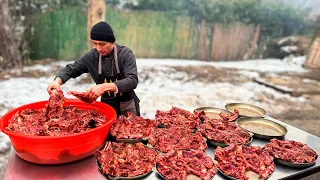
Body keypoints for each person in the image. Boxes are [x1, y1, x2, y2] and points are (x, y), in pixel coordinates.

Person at [47, 21, 140, 116]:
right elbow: (72, 69)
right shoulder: (92, 56)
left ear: (112, 41)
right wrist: (57, 81)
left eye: (102, 44)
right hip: (107, 106)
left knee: (131, 129)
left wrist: (103, 87)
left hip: (128, 105)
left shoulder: (125, 54)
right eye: (95, 44)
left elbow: (132, 80)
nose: (98, 48)